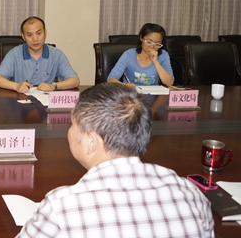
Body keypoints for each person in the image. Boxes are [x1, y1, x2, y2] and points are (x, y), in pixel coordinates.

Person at [17, 83, 214, 238]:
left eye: (72, 124)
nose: (69, 132)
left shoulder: (62, 207)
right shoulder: (190, 194)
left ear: (91, 142)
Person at [0, 17, 79, 93]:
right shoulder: (14, 54)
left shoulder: (56, 55)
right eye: (29, 35)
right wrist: (16, 86)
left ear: (45, 33)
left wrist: (54, 86)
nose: (35, 39)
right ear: (23, 36)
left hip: (47, 101)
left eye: (39, 33)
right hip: (21, 100)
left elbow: (75, 81)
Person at [107, 23, 174, 87]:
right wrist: (125, 86)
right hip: (131, 93)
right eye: (149, 42)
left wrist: (156, 61)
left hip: (154, 93)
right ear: (141, 38)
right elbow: (111, 80)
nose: (152, 47)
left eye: (157, 44)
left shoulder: (163, 55)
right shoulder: (129, 55)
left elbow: (169, 83)